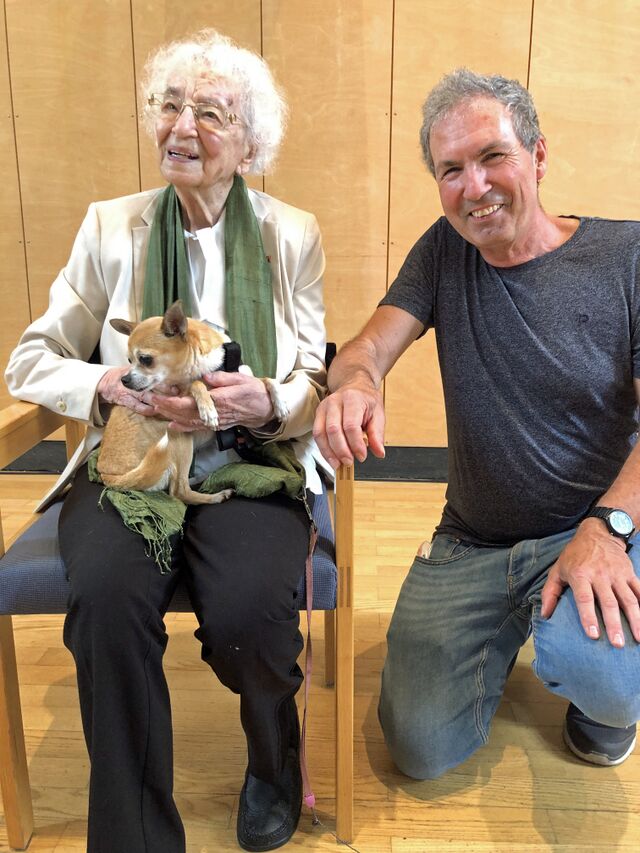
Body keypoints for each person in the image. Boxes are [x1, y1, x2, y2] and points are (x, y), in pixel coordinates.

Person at [5, 29, 330, 853]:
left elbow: (312, 378)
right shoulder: (110, 227)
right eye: (169, 105)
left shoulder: (291, 235)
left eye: (211, 113)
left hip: (247, 459)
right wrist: (107, 383)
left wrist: (267, 400)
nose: (182, 127)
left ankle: (273, 756)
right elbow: (30, 359)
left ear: (250, 145)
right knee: (107, 603)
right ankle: (137, 838)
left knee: (250, 615)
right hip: (131, 464)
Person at [313, 68, 640, 781]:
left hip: (592, 528)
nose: (475, 186)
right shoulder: (444, 250)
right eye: (451, 169)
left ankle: (595, 691)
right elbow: (366, 348)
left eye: (493, 156)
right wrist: (358, 383)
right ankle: (517, 625)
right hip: (473, 540)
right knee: (419, 747)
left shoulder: (626, 256)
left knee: (611, 682)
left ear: (538, 156)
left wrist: (608, 528)